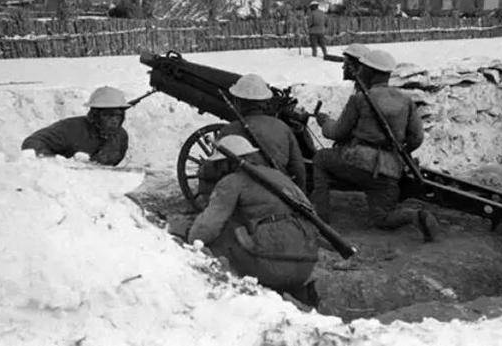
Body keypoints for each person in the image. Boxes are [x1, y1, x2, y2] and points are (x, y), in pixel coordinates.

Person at [309, 49, 439, 241]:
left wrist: (324, 121)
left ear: (370, 72)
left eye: (362, 69)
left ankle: (320, 218)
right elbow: (416, 138)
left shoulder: (360, 99)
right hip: (389, 170)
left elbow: (336, 133)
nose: (359, 71)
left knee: (320, 159)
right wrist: (397, 152)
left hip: (357, 162)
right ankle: (415, 216)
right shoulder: (405, 100)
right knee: (382, 218)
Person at [188, 135, 321, 300]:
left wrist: (188, 241)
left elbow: (206, 228)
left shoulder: (232, 181)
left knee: (224, 229)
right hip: (305, 266)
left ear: (227, 162)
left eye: (219, 163)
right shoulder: (278, 176)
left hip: (270, 267)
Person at [217, 73, 307, 190]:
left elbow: (214, 174)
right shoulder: (282, 127)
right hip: (279, 196)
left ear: (237, 102)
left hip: (240, 199)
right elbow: (298, 169)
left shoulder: (227, 132)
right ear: (265, 103)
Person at [21, 86, 130, 166]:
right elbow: (32, 143)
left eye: (118, 116)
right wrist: (56, 163)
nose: (114, 121)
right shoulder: (71, 129)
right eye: (108, 116)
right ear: (95, 115)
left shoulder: (121, 136)